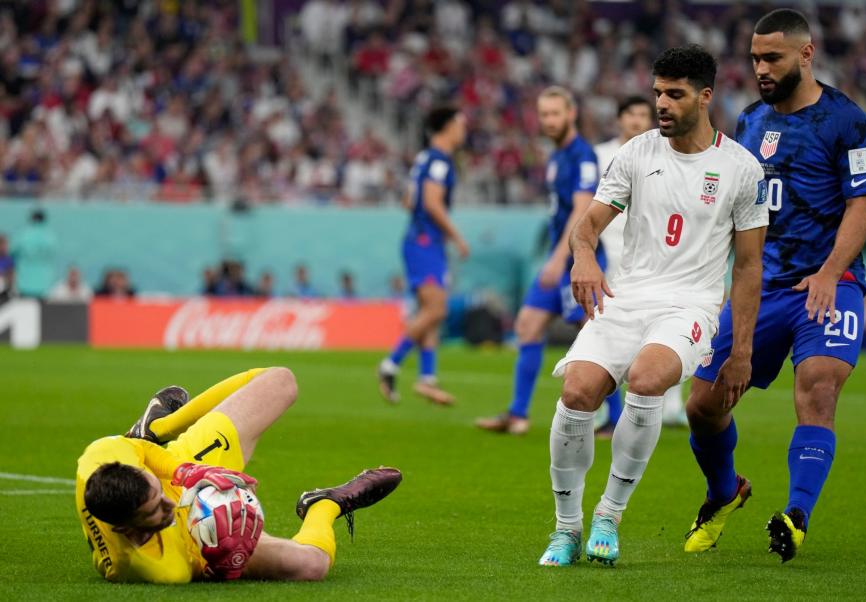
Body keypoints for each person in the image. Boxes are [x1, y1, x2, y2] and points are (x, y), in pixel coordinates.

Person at [537, 45, 768, 567]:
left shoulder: (742, 170)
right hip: (626, 296)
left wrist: (742, 352)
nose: (662, 103)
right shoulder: (637, 152)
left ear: (705, 97)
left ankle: (608, 516)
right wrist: (583, 257)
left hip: (689, 306)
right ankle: (566, 529)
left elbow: (750, 267)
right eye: (657, 92)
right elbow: (588, 225)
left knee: (645, 381)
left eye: (675, 94)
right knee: (576, 394)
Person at [682, 9, 866, 563]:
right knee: (703, 404)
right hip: (761, 288)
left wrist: (828, 271)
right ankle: (724, 492)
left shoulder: (846, 120)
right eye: (754, 58)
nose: (761, 68)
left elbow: (863, 202)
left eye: (772, 58)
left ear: (806, 54)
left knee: (819, 387)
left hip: (830, 282)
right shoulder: (748, 123)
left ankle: (795, 518)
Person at [77, 367, 402, 583]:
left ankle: (156, 426)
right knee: (311, 566)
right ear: (126, 529)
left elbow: (142, 453)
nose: (166, 504)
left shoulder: (99, 456)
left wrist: (187, 471)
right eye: (155, 511)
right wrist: (221, 561)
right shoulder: (157, 567)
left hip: (179, 465)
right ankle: (324, 505)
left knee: (280, 380)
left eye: (157, 494)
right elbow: (202, 565)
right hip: (194, 537)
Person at [475, 86, 621, 436]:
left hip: (576, 260)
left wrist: (559, 259)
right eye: (544, 115)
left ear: (571, 114)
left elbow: (582, 211)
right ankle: (518, 414)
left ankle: (615, 419)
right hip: (559, 258)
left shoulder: (582, 155)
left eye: (556, 113)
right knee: (527, 324)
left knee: (591, 332)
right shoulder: (556, 156)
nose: (549, 120)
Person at [593, 95, 691, 434]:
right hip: (610, 255)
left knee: (664, 327)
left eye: (642, 114)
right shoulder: (600, 156)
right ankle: (609, 409)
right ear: (619, 119)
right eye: (630, 113)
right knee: (609, 331)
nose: (636, 120)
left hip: (653, 257)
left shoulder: (668, 154)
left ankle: (672, 405)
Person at [378, 106, 469, 406]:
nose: (463, 129)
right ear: (447, 127)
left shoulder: (423, 158)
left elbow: (409, 200)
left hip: (421, 240)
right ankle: (391, 364)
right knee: (437, 310)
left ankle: (427, 379)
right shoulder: (440, 162)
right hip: (425, 242)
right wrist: (456, 237)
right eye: (459, 123)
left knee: (429, 310)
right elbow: (431, 202)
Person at [11, 209, 58, 298]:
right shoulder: (51, 238)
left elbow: (12, 253)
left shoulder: (23, 235)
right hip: (45, 284)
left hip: (24, 284)